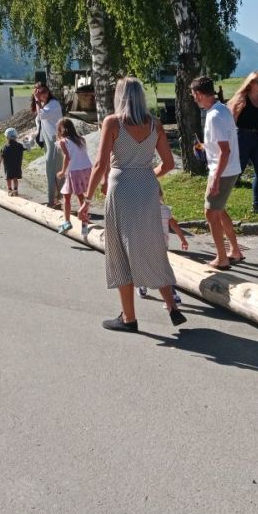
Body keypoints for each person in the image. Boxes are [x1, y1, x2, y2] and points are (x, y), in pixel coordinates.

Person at [78, 77, 186, 332]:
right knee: (152, 246)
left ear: (120, 97)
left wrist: (86, 200)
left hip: (121, 189)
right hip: (147, 189)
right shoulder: (155, 124)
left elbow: (100, 164)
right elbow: (169, 164)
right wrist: (147, 175)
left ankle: (129, 318)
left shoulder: (113, 122)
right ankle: (172, 306)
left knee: (120, 252)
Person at [190, 76, 244, 269]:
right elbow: (222, 144)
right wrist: (206, 147)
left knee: (210, 213)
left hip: (222, 171)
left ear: (199, 94)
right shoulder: (221, 109)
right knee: (219, 210)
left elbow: (225, 151)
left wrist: (215, 179)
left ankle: (222, 259)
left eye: (193, 95)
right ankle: (235, 251)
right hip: (227, 169)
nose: (193, 98)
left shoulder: (214, 116)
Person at [228, 71, 258, 213]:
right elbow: (232, 121)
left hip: (257, 137)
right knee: (237, 170)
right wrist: (230, 140)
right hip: (242, 136)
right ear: (251, 83)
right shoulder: (242, 99)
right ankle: (220, 198)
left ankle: (257, 204)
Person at [137, 186, 188, 304]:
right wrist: (183, 239)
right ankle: (172, 295)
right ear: (160, 195)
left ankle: (143, 286)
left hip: (146, 245)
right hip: (162, 245)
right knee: (163, 269)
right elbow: (174, 225)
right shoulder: (166, 210)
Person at [55, 118, 92, 233]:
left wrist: (62, 172)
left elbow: (67, 157)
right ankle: (84, 225)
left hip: (74, 171)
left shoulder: (64, 142)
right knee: (80, 196)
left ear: (61, 129)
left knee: (67, 196)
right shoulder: (81, 139)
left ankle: (68, 222)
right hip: (86, 169)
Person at [32, 82, 64, 208]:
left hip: (54, 141)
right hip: (47, 141)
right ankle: (56, 200)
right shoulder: (44, 105)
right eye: (39, 92)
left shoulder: (54, 104)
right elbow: (40, 121)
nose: (43, 94)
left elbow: (42, 115)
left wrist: (37, 100)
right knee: (51, 170)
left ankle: (53, 201)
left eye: (44, 91)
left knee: (52, 170)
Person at [0, 127, 25, 196]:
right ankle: (15, 190)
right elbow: (27, 148)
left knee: (8, 179)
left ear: (7, 137)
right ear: (16, 137)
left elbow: (1, 156)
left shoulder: (5, 147)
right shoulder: (20, 146)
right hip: (17, 166)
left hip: (8, 167)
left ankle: (10, 190)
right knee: (15, 178)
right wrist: (27, 141)